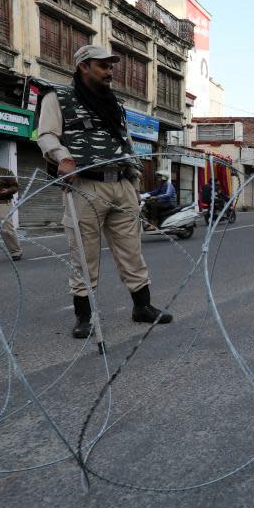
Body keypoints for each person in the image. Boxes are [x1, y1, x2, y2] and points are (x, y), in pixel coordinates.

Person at [37, 44, 172, 339]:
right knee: (84, 255)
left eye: (111, 66)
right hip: (86, 184)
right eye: (103, 66)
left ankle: (142, 307)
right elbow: (46, 134)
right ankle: (83, 317)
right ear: (84, 66)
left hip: (121, 183)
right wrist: (62, 157)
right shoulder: (58, 97)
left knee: (132, 251)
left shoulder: (114, 103)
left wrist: (133, 184)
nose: (110, 71)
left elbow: (125, 143)